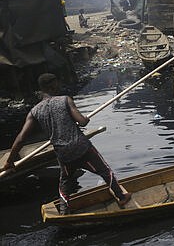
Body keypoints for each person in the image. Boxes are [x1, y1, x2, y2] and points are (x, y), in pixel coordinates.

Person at [1, 73, 131, 214]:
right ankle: (121, 196)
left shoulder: (34, 111)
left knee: (65, 183)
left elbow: (21, 138)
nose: (59, 85)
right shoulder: (65, 100)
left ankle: (63, 211)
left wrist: (10, 161)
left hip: (63, 154)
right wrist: (85, 119)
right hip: (81, 147)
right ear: (51, 85)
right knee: (105, 171)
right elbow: (81, 121)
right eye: (57, 83)